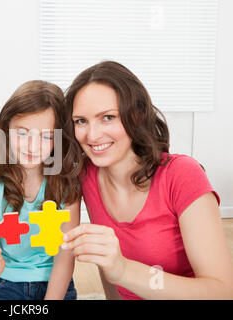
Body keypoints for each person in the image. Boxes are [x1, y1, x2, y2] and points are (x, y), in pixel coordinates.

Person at [61, 60, 233, 299]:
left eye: (108, 117)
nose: (92, 135)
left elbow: (221, 292)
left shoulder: (182, 175)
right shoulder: (87, 175)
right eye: (81, 121)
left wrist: (123, 270)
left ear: (137, 115)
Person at [0, 80, 83, 300]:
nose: (32, 146)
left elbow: (65, 257)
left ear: (59, 140)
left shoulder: (67, 185)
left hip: (56, 284)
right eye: (22, 133)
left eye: (47, 136)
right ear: (6, 131)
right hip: (3, 284)